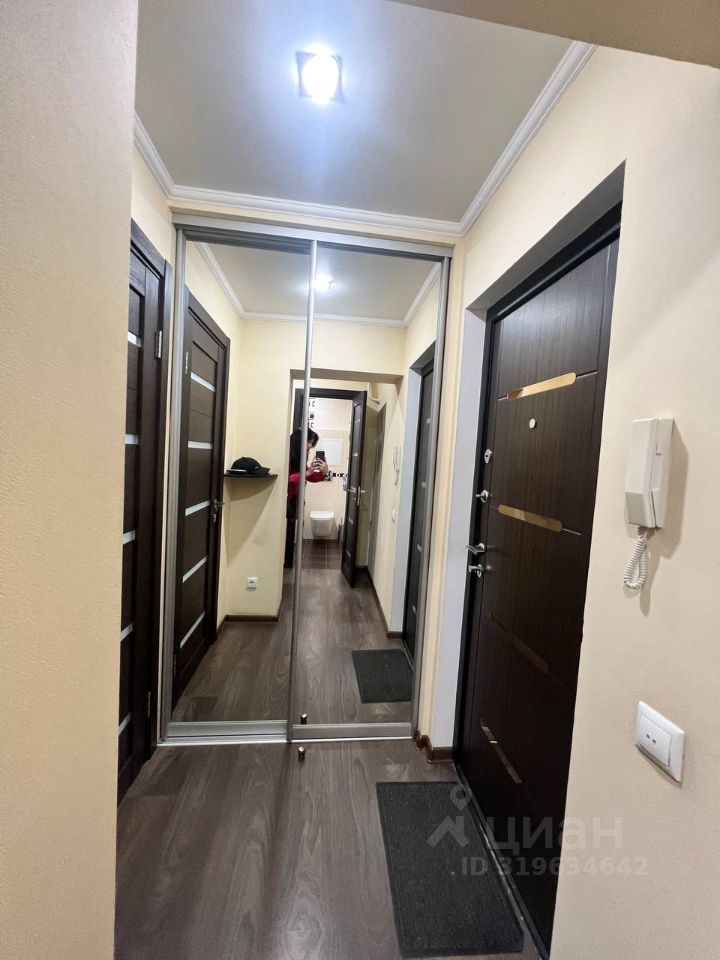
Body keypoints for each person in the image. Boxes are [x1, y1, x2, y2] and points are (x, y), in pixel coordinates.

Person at [284, 427, 329, 568]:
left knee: (289, 530)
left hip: (293, 500)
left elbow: (309, 477)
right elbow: (287, 479)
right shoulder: (286, 454)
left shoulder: (299, 458)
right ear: (300, 441)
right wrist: (307, 472)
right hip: (284, 500)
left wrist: (324, 472)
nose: (310, 446)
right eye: (309, 442)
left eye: (312, 443)